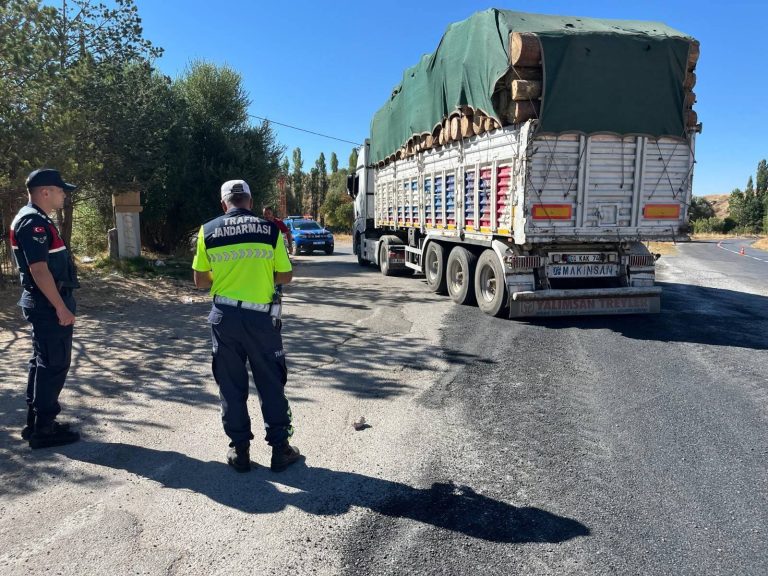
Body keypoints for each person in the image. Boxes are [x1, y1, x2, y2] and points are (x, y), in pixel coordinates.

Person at [192, 180, 300, 473]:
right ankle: (280, 450)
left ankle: (240, 452)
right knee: (270, 383)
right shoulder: (270, 230)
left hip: (224, 318)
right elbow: (286, 276)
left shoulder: (208, 230)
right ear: (250, 202)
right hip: (262, 320)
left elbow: (200, 281)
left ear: (224, 204)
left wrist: (227, 277)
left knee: (230, 385)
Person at [10, 168, 81, 449]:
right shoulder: (33, 222)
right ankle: (44, 431)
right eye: (61, 189)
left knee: (43, 363)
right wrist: (61, 307)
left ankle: (38, 423)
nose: (64, 194)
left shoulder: (37, 219)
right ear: (45, 192)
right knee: (54, 364)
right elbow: (39, 270)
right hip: (47, 304)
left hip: (45, 302)